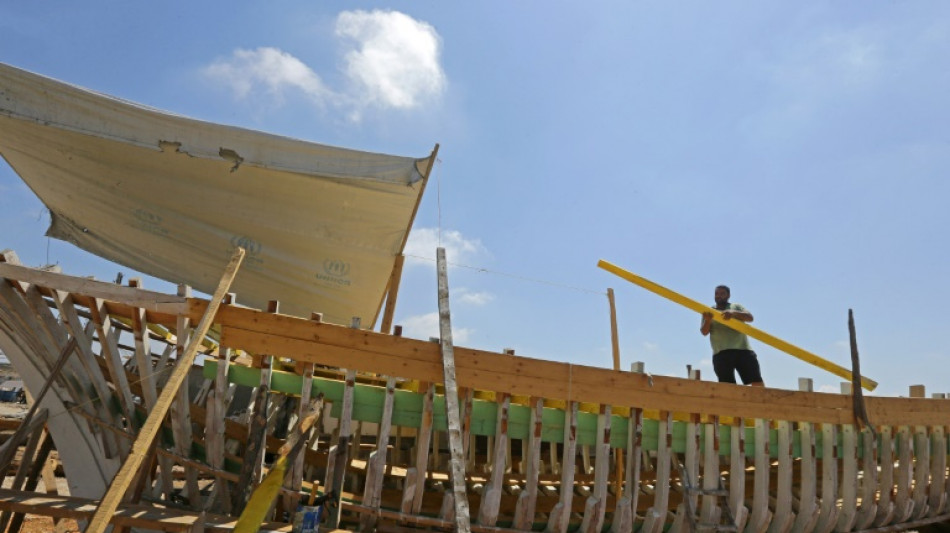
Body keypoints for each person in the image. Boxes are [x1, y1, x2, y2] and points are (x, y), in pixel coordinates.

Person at [700, 285, 764, 386]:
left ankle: (760, 397)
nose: (719, 296)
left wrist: (733, 313)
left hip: (743, 350)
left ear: (728, 295)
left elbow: (750, 318)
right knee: (727, 386)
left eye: (722, 293)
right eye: (716, 294)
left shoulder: (736, 307)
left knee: (756, 381)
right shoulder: (709, 311)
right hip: (721, 352)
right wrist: (708, 320)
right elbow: (704, 332)